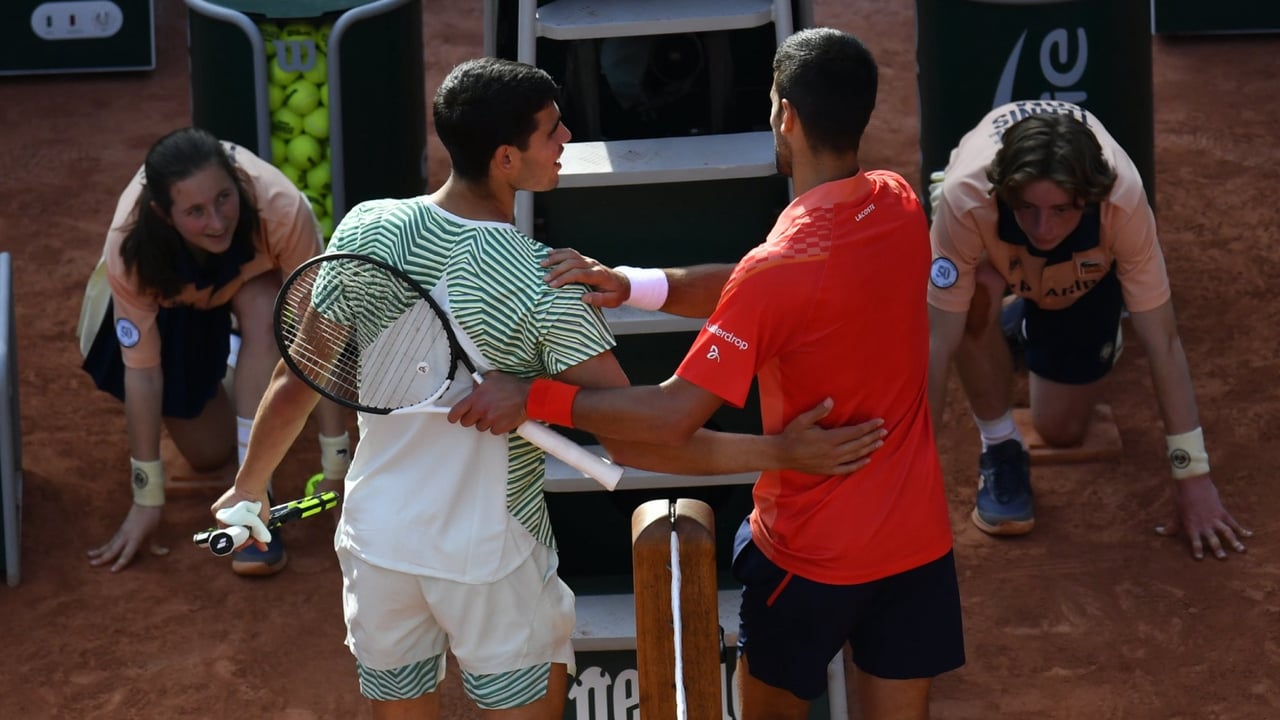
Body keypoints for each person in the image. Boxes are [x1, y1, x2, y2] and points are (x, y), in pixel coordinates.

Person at [211, 56, 882, 719]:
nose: (567, 141)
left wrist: (248, 489)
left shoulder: (368, 227)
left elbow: (298, 376)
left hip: (376, 545)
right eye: (552, 131)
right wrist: (779, 454)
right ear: (507, 159)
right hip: (491, 563)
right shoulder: (546, 284)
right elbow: (643, 437)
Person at [449, 29, 964, 720]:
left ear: (785, 116)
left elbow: (669, 419)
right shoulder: (898, 205)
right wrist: (632, 285)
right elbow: (766, 293)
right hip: (916, 548)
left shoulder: (778, 271)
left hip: (808, 562)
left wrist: (533, 395)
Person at [925, 99, 1251, 560]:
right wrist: (909, 481)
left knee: (1060, 428)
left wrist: (1192, 476)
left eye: (1061, 209)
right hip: (991, 257)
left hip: (1083, 278)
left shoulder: (1123, 199)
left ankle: (1028, 318)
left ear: (1090, 196)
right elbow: (938, 343)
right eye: (1027, 208)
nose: (1043, 227)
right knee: (969, 300)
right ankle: (1000, 446)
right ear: (1004, 192)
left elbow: (1163, 340)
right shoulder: (967, 198)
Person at [77, 128, 352, 576]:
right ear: (163, 215)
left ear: (238, 181)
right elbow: (143, 374)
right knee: (208, 453)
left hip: (252, 287)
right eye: (195, 211)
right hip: (178, 307)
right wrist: (147, 498)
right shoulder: (130, 248)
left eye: (224, 198)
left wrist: (336, 465)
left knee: (268, 308)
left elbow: (314, 340)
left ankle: (254, 496)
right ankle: (237, 358)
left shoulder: (282, 209)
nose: (218, 221)